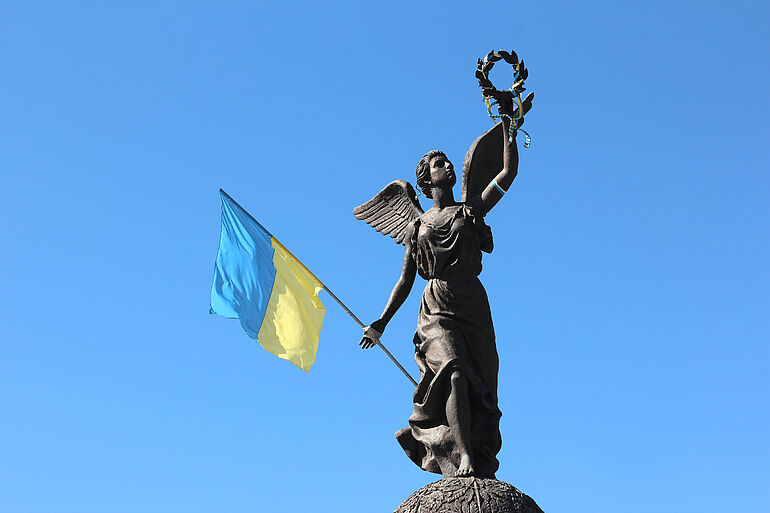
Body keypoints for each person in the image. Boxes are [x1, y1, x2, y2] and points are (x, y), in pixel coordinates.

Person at [360, 113, 520, 479]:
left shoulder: (470, 208)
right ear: (426, 179)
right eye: (438, 163)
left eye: (447, 161)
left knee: (485, 388)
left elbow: (507, 174)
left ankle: (477, 453)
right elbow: (404, 280)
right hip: (436, 308)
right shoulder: (417, 226)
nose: (447, 165)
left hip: (473, 305)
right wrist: (381, 322)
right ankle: (461, 455)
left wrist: (510, 128)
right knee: (453, 372)